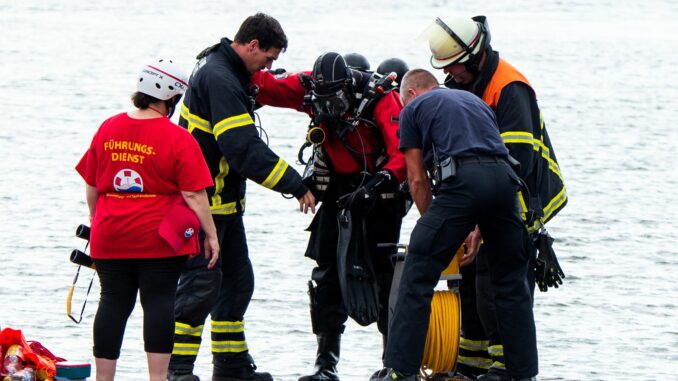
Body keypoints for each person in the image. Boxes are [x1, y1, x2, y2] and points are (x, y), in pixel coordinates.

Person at [168, 13, 316, 381]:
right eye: (268, 58)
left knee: (238, 282)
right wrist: (296, 184)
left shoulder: (227, 70)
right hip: (202, 206)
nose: (268, 67)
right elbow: (241, 148)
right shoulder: (219, 77)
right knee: (200, 287)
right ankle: (177, 370)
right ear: (252, 45)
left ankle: (231, 366)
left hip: (224, 205)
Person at [422, 15, 567, 380]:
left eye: (454, 67)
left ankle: (506, 366)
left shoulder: (510, 88)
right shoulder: (466, 85)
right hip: (483, 201)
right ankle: (471, 363)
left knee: (495, 282)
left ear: (475, 57)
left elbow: (516, 165)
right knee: (470, 283)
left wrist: (481, 226)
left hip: (519, 200)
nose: (450, 75)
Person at [369, 69, 537, 381]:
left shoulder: (413, 109)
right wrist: (475, 228)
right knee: (511, 281)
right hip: (505, 183)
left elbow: (417, 180)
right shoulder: (475, 103)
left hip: (464, 184)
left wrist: (434, 229)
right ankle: (522, 373)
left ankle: (401, 372)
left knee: (417, 272)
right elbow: (486, 163)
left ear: (412, 94)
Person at [251, 51, 407, 381]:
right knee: (326, 277)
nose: (328, 109)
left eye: (334, 101)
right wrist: (227, 63)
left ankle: (393, 364)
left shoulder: (380, 98)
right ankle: (326, 366)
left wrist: (377, 185)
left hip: (381, 191)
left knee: (384, 277)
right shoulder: (309, 89)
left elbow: (403, 154)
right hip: (338, 190)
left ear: (348, 88)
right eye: (321, 102)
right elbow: (264, 86)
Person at [75, 58, 219, 381]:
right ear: (171, 97)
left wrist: (96, 219)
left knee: (112, 302)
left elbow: (92, 184)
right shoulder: (178, 137)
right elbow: (195, 195)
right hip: (158, 240)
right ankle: (157, 379)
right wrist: (211, 235)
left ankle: (104, 378)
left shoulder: (108, 127)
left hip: (109, 234)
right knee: (159, 302)